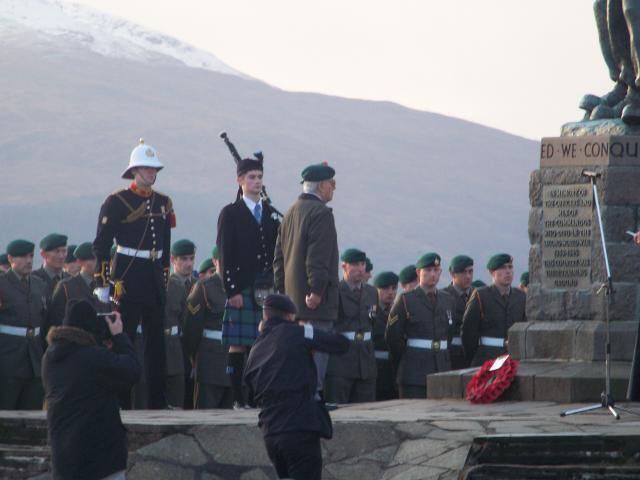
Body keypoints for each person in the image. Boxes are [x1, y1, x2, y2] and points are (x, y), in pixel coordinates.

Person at [93, 138, 175, 409]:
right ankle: (120, 401)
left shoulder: (164, 202)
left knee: (156, 343)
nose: (152, 173)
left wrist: (163, 278)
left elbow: (164, 245)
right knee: (123, 338)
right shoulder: (117, 201)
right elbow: (102, 243)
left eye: (154, 169)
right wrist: (102, 280)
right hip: (126, 277)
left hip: (152, 276)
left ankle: (157, 401)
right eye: (147, 169)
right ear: (134, 171)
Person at [244, 294, 349, 480]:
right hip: (298, 428)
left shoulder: (255, 349)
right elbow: (340, 344)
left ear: (265, 317)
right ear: (290, 316)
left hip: (270, 433)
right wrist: (307, 331)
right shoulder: (299, 332)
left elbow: (250, 391)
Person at [42, 301, 140, 480]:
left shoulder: (50, 357)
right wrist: (119, 337)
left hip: (64, 458)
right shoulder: (93, 357)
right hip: (100, 459)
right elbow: (131, 371)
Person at [217, 156, 280, 409]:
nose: (256, 182)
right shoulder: (230, 213)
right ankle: (237, 398)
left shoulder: (270, 213)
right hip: (241, 286)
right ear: (239, 181)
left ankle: (256, 396)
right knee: (238, 345)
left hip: (265, 287)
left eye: (259, 177)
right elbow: (225, 252)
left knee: (261, 344)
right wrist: (231, 289)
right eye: (251, 177)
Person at [273, 162, 339, 400]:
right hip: (314, 304)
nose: (334, 187)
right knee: (317, 352)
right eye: (332, 183)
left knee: (297, 355)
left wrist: (283, 294)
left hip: (292, 302)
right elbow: (318, 258)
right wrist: (317, 290)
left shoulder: (290, 212)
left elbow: (278, 259)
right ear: (321, 186)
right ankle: (312, 399)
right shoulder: (320, 214)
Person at [385, 253, 454, 398]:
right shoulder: (406, 300)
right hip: (414, 372)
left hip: (441, 369)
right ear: (418, 273)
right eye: (428, 270)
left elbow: (449, 333)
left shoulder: (447, 300)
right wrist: (407, 358)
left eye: (436, 270)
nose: (433, 274)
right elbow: (393, 337)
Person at [325, 248, 377, 404]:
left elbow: (373, 322)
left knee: (367, 411)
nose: (361, 269)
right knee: (338, 409)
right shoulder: (334, 291)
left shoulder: (372, 292)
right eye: (355, 264)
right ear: (344, 267)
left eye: (362, 264)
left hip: (366, 362)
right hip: (341, 360)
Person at [0, 239, 48, 409]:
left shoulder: (39, 285)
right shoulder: (2, 284)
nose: (29, 261)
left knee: (32, 411)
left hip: (34, 358)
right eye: (23, 257)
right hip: (7, 359)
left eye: (30, 256)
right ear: (11, 259)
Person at [183, 245, 232, 409]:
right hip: (210, 361)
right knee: (205, 414)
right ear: (215, 261)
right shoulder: (204, 287)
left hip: (236, 361)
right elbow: (191, 329)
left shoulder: (244, 287)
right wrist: (195, 359)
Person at [461, 253, 526, 367]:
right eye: (502, 268)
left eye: (510, 267)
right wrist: (475, 357)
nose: (508, 272)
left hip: (513, 358)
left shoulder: (520, 296)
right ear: (492, 272)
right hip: (487, 358)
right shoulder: (481, 295)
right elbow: (468, 331)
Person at [164, 239, 196, 408]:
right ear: (173, 260)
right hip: (172, 344)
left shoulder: (197, 285)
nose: (188, 264)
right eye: (183, 259)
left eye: (191, 259)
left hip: (190, 346)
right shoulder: (168, 285)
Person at [47, 242, 103, 331]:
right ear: (79, 262)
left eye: (99, 259)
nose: (97, 263)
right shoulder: (66, 286)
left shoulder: (104, 286)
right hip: (74, 340)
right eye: (92, 259)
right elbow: (56, 321)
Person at [442, 255, 474, 370]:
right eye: (463, 272)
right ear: (453, 274)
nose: (468, 276)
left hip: (474, 356)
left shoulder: (479, 295)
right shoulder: (443, 297)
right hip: (451, 356)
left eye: (470, 272)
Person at [372, 271, 399, 400]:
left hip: (393, 373)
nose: (390, 292)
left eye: (394, 288)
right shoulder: (371, 313)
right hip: (375, 371)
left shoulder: (399, 312)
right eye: (385, 288)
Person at [33, 233, 69, 298]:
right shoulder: (33, 280)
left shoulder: (71, 280)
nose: (61, 256)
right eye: (56, 251)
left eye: (64, 251)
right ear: (43, 254)